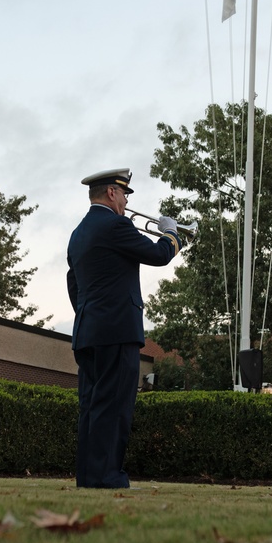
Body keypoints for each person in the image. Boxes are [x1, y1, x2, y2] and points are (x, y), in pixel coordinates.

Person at [66, 168, 183, 488]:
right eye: (125, 195)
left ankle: (89, 476)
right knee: (115, 407)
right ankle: (107, 476)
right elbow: (160, 255)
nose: (126, 203)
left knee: (91, 406)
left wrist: (92, 316)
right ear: (112, 193)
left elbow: (73, 282)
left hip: (88, 332)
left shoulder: (78, 233)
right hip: (117, 331)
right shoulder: (115, 224)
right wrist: (172, 233)